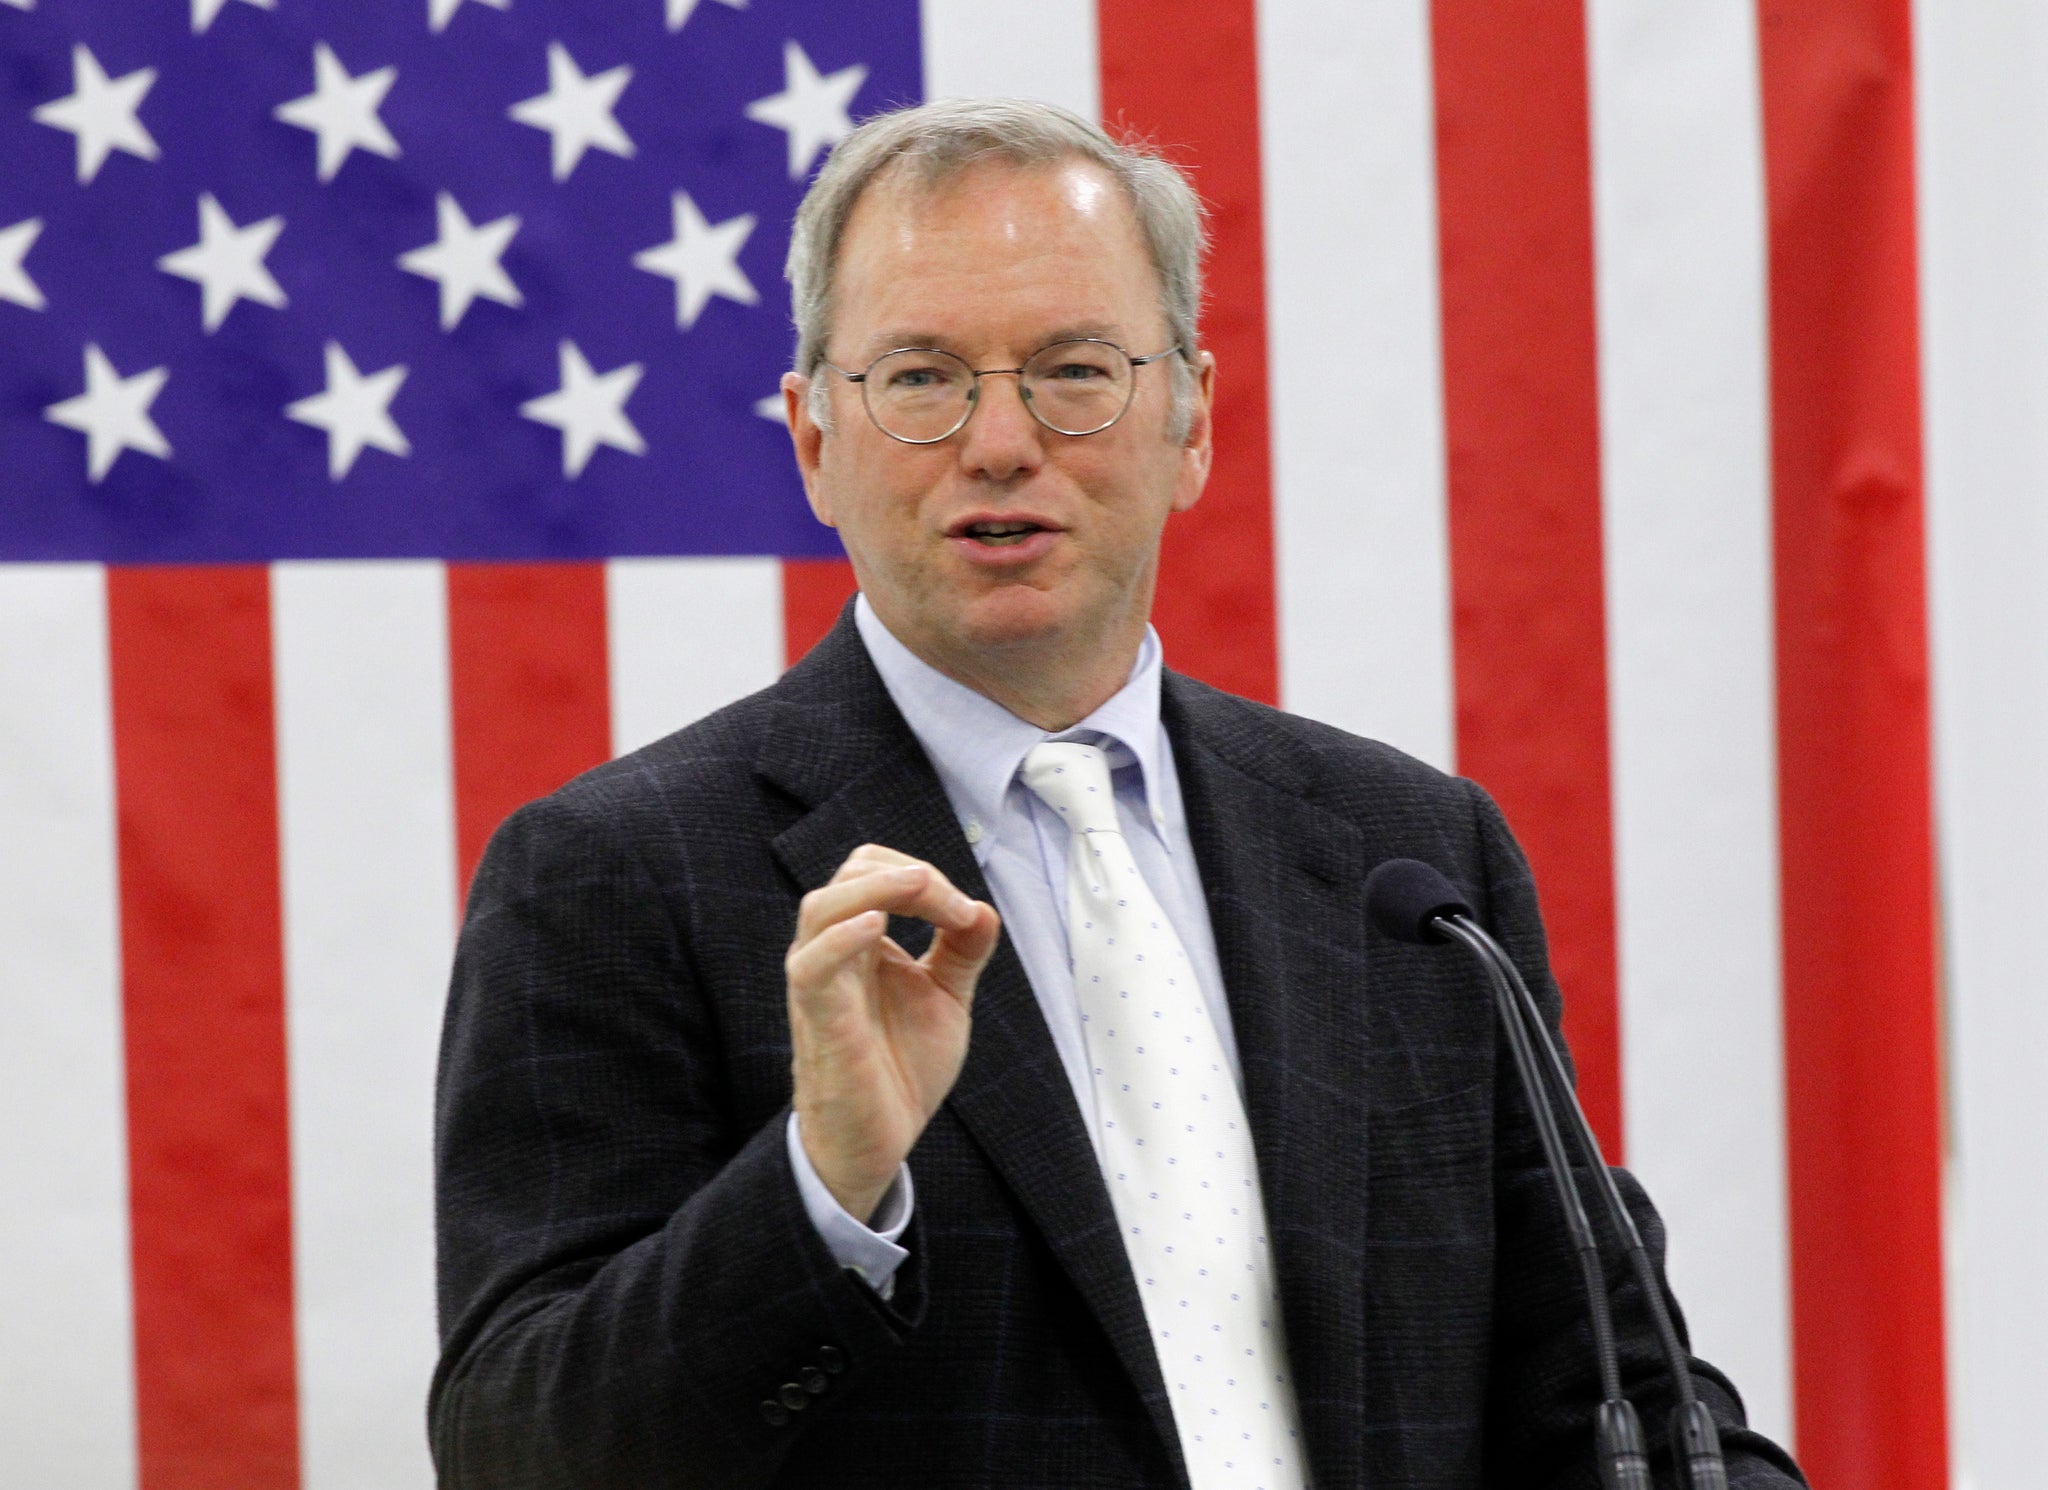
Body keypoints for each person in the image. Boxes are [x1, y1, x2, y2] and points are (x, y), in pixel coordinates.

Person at [430, 98, 1804, 1490]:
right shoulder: (617, 872)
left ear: (1191, 418)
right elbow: (516, 1450)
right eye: (920, 379)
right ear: (811, 441)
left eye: (1073, 372)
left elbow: (1618, 1408)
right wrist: (821, 1186)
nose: (1001, 442)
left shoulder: (1410, 862)